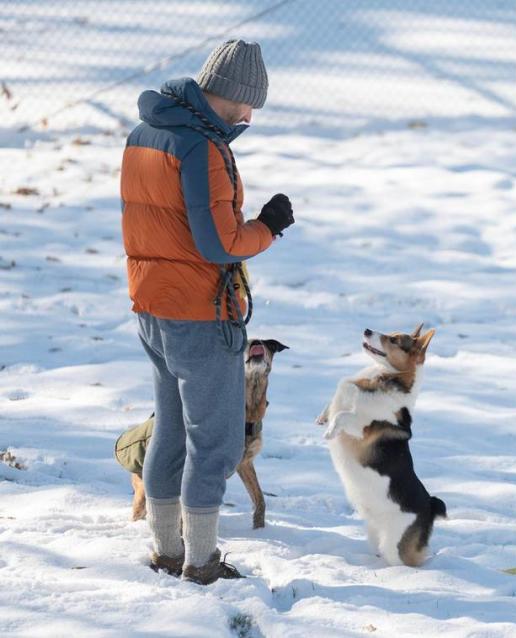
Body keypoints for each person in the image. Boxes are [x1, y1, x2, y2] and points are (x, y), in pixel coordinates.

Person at [120, 39, 295, 584]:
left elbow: (168, 225)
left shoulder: (146, 133)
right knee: (216, 442)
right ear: (231, 96)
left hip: (152, 304)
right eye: (248, 107)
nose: (248, 118)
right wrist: (269, 226)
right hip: (200, 313)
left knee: (170, 429)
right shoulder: (201, 146)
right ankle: (200, 562)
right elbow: (220, 242)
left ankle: (167, 551)